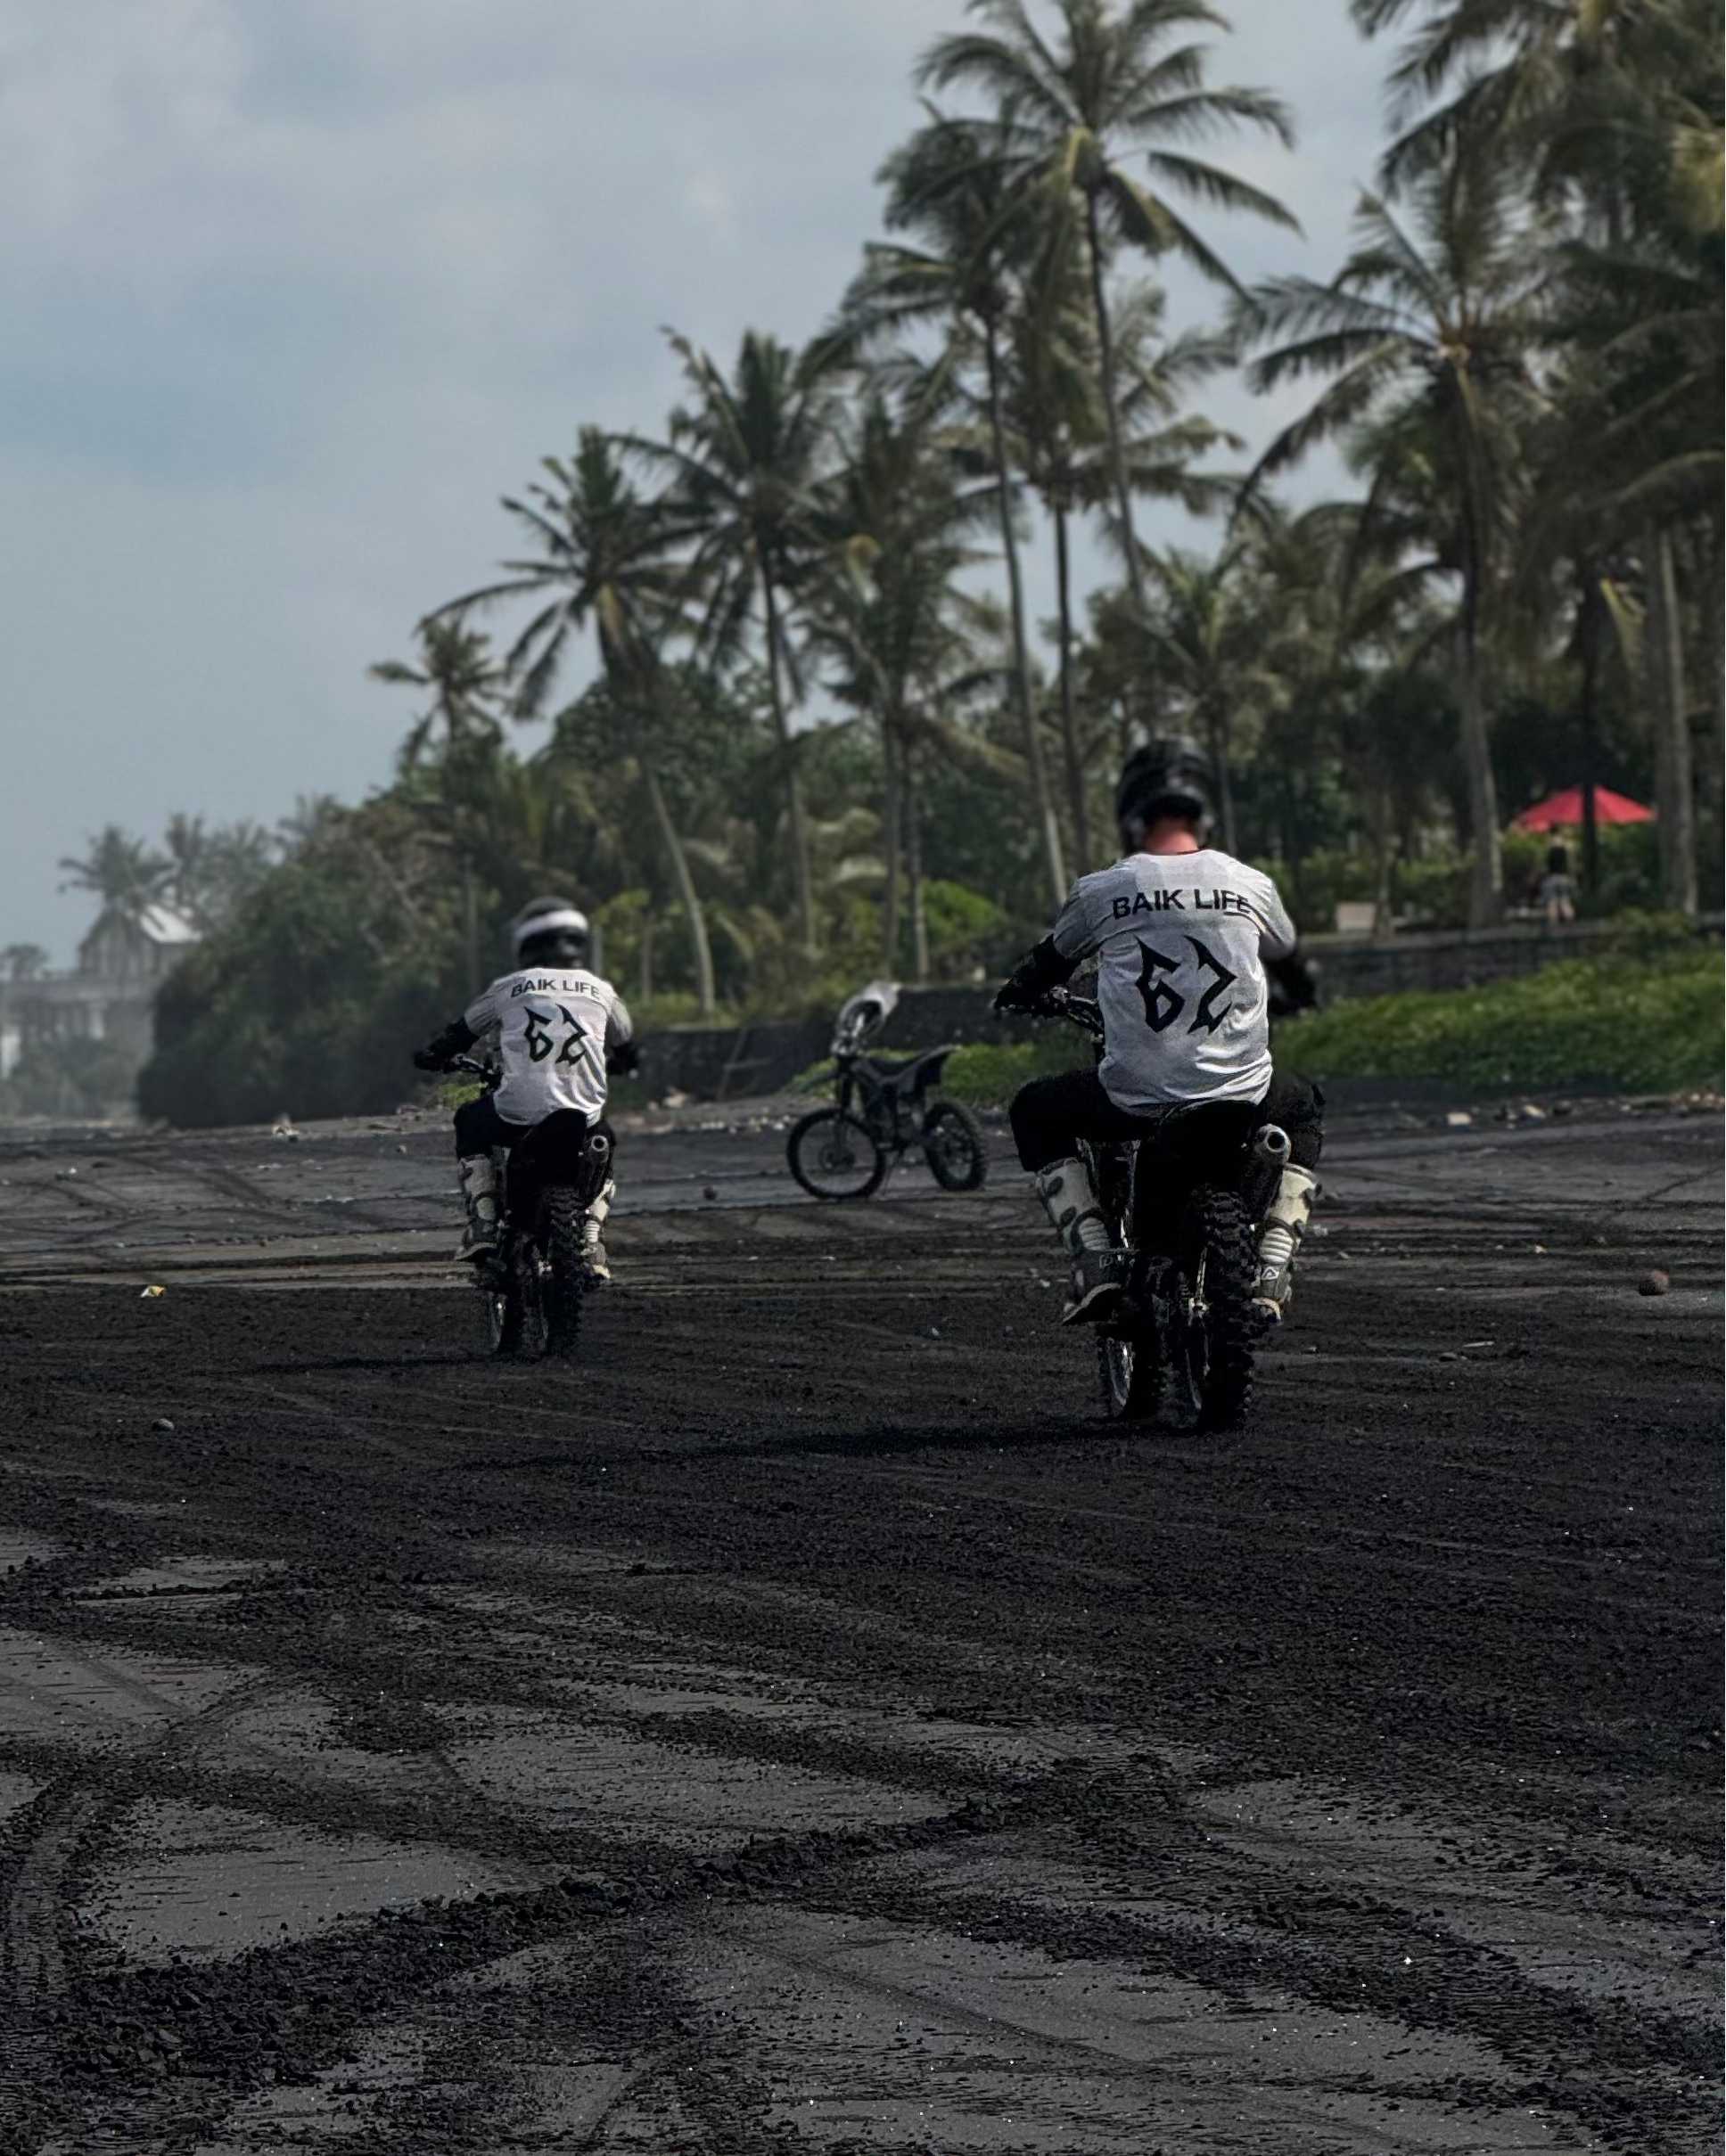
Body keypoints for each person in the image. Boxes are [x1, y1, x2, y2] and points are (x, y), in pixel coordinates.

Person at [994, 739, 1323, 1326]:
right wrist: (1299, 994)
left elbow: (1048, 963)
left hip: (1137, 1099)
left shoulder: (1103, 890)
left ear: (1131, 815)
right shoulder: (1249, 883)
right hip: (1242, 1094)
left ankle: (1095, 1256)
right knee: (1302, 1108)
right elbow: (1293, 961)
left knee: (1035, 1110)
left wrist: (1020, 990)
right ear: (1203, 814)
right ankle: (1274, 1261)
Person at [413, 898, 637, 1279]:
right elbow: (626, 1045)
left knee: (469, 1119)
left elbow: (458, 1035)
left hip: (517, 1112)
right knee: (604, 1141)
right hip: (583, 1115)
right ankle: (592, 1237)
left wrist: (434, 1055)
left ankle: (483, 1221)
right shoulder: (602, 992)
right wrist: (618, 1064)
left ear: (526, 946)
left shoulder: (510, 989)